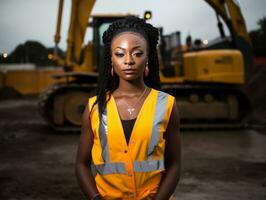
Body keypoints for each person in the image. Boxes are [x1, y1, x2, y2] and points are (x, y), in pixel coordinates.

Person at [75, 16, 181, 200]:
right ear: (111, 59)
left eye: (137, 53)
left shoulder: (167, 104)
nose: (129, 61)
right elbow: (81, 164)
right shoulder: (94, 107)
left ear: (147, 58)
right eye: (120, 53)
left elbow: (174, 165)